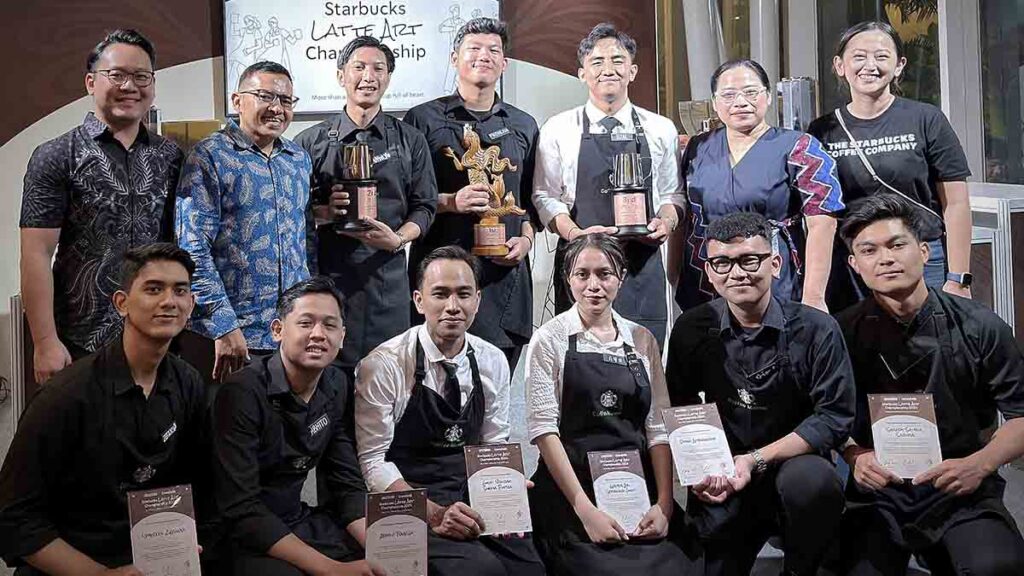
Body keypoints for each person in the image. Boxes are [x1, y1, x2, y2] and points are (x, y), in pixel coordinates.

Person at [835, 194, 1024, 575]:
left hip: (960, 487)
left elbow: (1020, 414)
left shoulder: (980, 326)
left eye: (897, 245)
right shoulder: (838, 333)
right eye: (869, 250)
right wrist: (855, 456)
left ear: (924, 251)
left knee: (998, 566)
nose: (886, 259)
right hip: (879, 491)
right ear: (855, 265)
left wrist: (979, 464)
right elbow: (825, 414)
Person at [665, 212, 854, 576]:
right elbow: (683, 408)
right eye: (722, 263)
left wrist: (755, 459)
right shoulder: (692, 328)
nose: (737, 273)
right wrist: (702, 469)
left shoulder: (817, 329)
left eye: (749, 260)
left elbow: (834, 418)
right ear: (709, 272)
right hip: (727, 471)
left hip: (795, 466)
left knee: (812, 484)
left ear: (775, 264)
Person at [0, 243, 205, 575]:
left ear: (191, 304)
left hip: (151, 558)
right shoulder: (66, 396)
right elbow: (14, 518)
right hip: (72, 561)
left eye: (180, 291)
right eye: (154, 289)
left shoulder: (189, 383)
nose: (169, 301)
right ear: (121, 303)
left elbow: (197, 486)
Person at [355, 246, 546, 576]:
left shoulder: (492, 360)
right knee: (479, 570)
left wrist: (504, 483)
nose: (453, 306)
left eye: (463, 294)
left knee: (529, 568)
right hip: (405, 496)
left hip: (468, 489)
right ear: (418, 301)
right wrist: (434, 513)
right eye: (440, 294)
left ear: (478, 300)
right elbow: (373, 463)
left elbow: (492, 443)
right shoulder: (384, 365)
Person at [524, 233, 702, 576]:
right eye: (582, 274)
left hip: (635, 485)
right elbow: (544, 431)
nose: (593, 285)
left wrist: (665, 504)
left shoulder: (642, 339)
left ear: (621, 278)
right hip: (572, 487)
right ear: (568, 279)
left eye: (604, 274)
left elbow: (657, 428)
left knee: (680, 565)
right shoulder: (549, 339)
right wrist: (586, 511)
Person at [20, 29, 183, 383]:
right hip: (82, 341)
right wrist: (45, 342)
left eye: (141, 76)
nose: (130, 86)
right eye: (117, 75)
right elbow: (36, 253)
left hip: (159, 339)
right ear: (91, 83)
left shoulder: (171, 156)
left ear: (153, 85)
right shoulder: (56, 155)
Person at [208, 277, 382, 576]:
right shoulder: (242, 392)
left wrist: (380, 547)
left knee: (388, 558)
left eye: (330, 325)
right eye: (305, 323)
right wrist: (331, 569)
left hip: (296, 518)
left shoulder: (336, 383)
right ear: (277, 330)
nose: (318, 334)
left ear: (342, 336)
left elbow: (345, 482)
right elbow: (241, 507)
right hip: (239, 531)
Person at [294, 36, 437, 382]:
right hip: (328, 280)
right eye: (359, 67)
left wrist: (398, 239)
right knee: (326, 383)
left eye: (378, 69)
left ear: (388, 78)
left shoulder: (410, 140)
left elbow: (425, 206)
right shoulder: (309, 142)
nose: (368, 76)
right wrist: (324, 213)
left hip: (388, 281)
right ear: (341, 75)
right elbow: (292, 214)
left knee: (388, 380)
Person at [533, 23, 682, 347]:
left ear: (632, 71)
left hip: (641, 266)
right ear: (582, 74)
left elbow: (673, 194)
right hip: (582, 264)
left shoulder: (661, 129)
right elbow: (545, 195)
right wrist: (575, 233)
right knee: (579, 361)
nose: (608, 69)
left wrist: (667, 222)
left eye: (617, 60)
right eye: (597, 62)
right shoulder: (557, 128)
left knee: (644, 359)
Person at [808, 21, 973, 311]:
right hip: (854, 263)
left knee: (930, 336)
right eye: (859, 57)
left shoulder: (926, 119)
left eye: (881, 56)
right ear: (840, 65)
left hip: (921, 256)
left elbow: (956, 203)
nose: (870, 65)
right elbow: (822, 215)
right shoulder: (822, 130)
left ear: (899, 65)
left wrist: (958, 279)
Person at [404, 17, 539, 371]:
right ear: (454, 59)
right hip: (440, 278)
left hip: (504, 281)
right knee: (433, 388)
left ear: (504, 63)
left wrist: (526, 241)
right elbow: (406, 198)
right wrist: (451, 202)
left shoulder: (523, 124)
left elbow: (529, 203)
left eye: (493, 50)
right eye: (474, 48)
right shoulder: (422, 119)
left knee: (495, 389)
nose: (484, 56)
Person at [668, 59, 844, 314]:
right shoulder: (697, 147)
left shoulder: (801, 147)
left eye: (751, 92)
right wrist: (672, 276)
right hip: (708, 279)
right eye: (728, 95)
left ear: (768, 96)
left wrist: (814, 297)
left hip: (774, 275)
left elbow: (822, 224)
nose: (740, 102)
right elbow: (684, 216)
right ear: (715, 102)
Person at [176, 60, 312, 383]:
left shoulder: (298, 160)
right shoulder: (209, 156)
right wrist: (223, 324)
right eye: (265, 96)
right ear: (237, 101)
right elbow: (192, 249)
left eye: (286, 100)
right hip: (229, 338)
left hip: (288, 335)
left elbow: (306, 242)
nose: (276, 108)